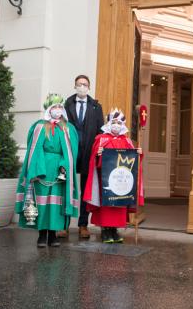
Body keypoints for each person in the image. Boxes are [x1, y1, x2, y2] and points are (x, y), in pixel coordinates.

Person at [15, 93, 80, 247]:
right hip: (42, 169)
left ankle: (53, 234)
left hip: (59, 170)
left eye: (59, 107)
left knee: (56, 202)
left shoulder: (68, 128)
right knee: (42, 200)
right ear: (49, 109)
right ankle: (42, 234)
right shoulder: (39, 126)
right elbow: (34, 149)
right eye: (54, 107)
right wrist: (38, 169)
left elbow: (72, 151)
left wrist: (64, 167)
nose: (57, 109)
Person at [83, 109, 144, 243]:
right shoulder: (101, 139)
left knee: (119, 205)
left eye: (119, 122)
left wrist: (138, 153)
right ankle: (106, 230)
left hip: (122, 182)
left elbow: (132, 161)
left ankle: (115, 230)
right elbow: (94, 158)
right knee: (107, 205)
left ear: (123, 125)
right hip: (106, 181)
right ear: (109, 123)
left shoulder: (127, 141)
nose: (116, 125)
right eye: (114, 122)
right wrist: (98, 154)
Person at [61, 75, 104, 239]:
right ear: (75, 86)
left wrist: (99, 148)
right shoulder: (66, 104)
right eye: (79, 84)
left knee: (85, 190)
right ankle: (63, 225)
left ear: (89, 87)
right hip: (69, 153)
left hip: (88, 154)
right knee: (65, 186)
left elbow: (101, 130)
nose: (82, 87)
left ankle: (83, 225)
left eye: (85, 84)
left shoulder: (96, 107)